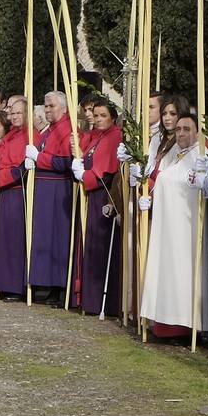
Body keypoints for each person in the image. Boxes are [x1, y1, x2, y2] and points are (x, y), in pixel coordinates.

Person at [139, 112, 208, 339]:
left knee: (183, 275)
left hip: (186, 230)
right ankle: (164, 322)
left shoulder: (202, 156)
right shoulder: (177, 155)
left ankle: (184, 325)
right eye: (178, 129)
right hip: (167, 229)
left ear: (198, 133)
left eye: (187, 129)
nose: (181, 133)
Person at [72, 97, 123, 318]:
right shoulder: (99, 136)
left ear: (112, 117)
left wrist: (85, 175)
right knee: (92, 245)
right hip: (92, 192)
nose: (99, 119)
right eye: (97, 115)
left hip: (103, 193)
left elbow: (105, 170)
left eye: (104, 116)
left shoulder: (113, 137)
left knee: (101, 246)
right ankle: (90, 299)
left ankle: (104, 302)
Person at [27, 92, 77, 307]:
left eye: (51, 106)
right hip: (46, 187)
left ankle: (59, 286)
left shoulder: (66, 130)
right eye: (45, 106)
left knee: (58, 237)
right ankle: (48, 284)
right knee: (46, 237)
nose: (47, 110)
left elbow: (66, 162)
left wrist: (40, 158)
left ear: (64, 108)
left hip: (58, 189)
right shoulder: (52, 130)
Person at [0, 104, 30, 300]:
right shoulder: (12, 136)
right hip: (4, 191)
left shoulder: (27, 136)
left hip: (16, 192)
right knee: (3, 239)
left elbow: (19, 169)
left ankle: (13, 285)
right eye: (12, 112)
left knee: (13, 240)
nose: (14, 116)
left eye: (19, 112)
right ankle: (2, 282)